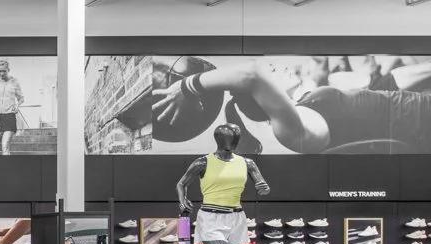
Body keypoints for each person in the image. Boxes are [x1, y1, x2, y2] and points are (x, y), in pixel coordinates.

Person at [152, 57, 431, 153]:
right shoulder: (291, 131)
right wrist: (188, 86)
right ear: (263, 96)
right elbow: (250, 74)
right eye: (273, 70)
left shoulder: (310, 102)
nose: (277, 66)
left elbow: (384, 90)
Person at [177, 121, 270, 244]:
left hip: (236, 217)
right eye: (230, 137)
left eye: (237, 136)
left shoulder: (247, 163)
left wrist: (263, 187)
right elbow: (182, 183)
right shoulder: (203, 161)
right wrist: (182, 200)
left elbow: (262, 185)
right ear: (219, 139)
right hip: (211, 216)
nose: (234, 140)